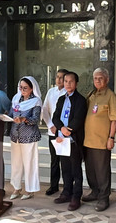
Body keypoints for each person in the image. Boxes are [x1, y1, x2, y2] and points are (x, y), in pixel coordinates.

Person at [82, 67, 116, 212]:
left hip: (102, 141)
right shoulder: (91, 94)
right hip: (88, 140)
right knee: (90, 170)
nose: (97, 81)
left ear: (107, 80)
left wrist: (111, 137)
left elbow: (114, 120)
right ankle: (95, 192)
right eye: (95, 78)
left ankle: (104, 198)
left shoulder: (111, 97)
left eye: (100, 78)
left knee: (102, 171)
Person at [52, 72, 87, 211]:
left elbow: (78, 119)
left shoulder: (80, 100)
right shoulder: (61, 99)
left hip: (73, 140)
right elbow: (55, 117)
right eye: (65, 81)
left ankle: (76, 197)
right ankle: (67, 192)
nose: (67, 84)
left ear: (76, 83)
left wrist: (69, 130)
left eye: (71, 81)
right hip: (61, 140)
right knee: (65, 168)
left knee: (76, 170)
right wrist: (61, 128)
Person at [8, 76, 42, 200]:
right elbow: (11, 114)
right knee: (16, 163)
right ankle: (17, 187)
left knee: (29, 163)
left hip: (29, 136)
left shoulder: (36, 101)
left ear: (32, 89)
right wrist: (6, 116)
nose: (22, 90)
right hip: (15, 135)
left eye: (25, 88)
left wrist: (24, 119)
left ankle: (30, 190)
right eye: (20, 87)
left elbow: (36, 119)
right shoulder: (16, 99)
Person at [42, 68, 68, 196]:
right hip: (53, 132)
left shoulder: (68, 93)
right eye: (57, 77)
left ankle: (68, 187)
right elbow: (45, 110)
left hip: (64, 132)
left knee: (65, 161)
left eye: (62, 77)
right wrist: (50, 125)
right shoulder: (51, 91)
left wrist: (60, 127)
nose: (59, 79)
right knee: (54, 160)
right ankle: (54, 186)